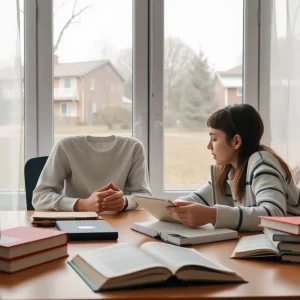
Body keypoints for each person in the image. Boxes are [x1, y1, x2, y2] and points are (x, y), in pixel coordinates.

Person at [167, 104, 300, 231]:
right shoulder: (227, 170)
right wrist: (173, 208)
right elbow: (194, 199)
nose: (209, 146)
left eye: (214, 139)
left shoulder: (262, 161)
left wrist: (212, 215)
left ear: (236, 141)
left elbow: (273, 214)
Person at [32, 135, 151, 212]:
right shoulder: (65, 146)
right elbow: (39, 197)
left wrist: (125, 202)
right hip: (74, 222)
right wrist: (82, 204)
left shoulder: (134, 147)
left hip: (121, 224)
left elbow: (145, 195)